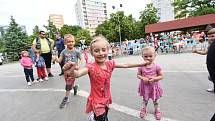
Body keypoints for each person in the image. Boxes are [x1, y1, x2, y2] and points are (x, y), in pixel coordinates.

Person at [63, 35, 147, 121]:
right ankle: (94, 117)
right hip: (96, 101)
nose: (101, 53)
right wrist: (71, 70)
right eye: (96, 51)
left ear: (108, 51)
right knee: (103, 118)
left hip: (106, 98)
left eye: (103, 50)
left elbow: (125, 65)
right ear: (92, 53)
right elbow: (77, 74)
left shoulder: (109, 64)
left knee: (105, 114)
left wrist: (141, 64)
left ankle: (93, 118)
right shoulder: (91, 67)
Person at [54, 34, 83, 109]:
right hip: (65, 70)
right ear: (65, 43)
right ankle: (75, 87)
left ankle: (66, 98)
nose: (71, 43)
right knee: (68, 82)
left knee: (68, 84)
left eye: (72, 41)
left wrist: (79, 66)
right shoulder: (63, 51)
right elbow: (59, 60)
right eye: (69, 42)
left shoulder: (76, 51)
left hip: (73, 70)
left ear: (74, 42)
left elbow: (81, 59)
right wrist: (55, 58)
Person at [137, 46, 163, 120]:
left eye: (150, 56)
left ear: (155, 55)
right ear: (142, 56)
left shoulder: (157, 67)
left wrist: (154, 78)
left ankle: (157, 110)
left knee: (156, 100)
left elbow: (161, 76)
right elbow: (138, 75)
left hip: (154, 87)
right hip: (145, 87)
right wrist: (143, 78)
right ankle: (143, 109)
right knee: (145, 100)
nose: (148, 58)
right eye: (146, 56)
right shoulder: (141, 67)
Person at [205, 28, 215, 93]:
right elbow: (206, 53)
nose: (211, 38)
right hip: (212, 67)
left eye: (213, 36)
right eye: (209, 37)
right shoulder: (211, 45)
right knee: (211, 77)